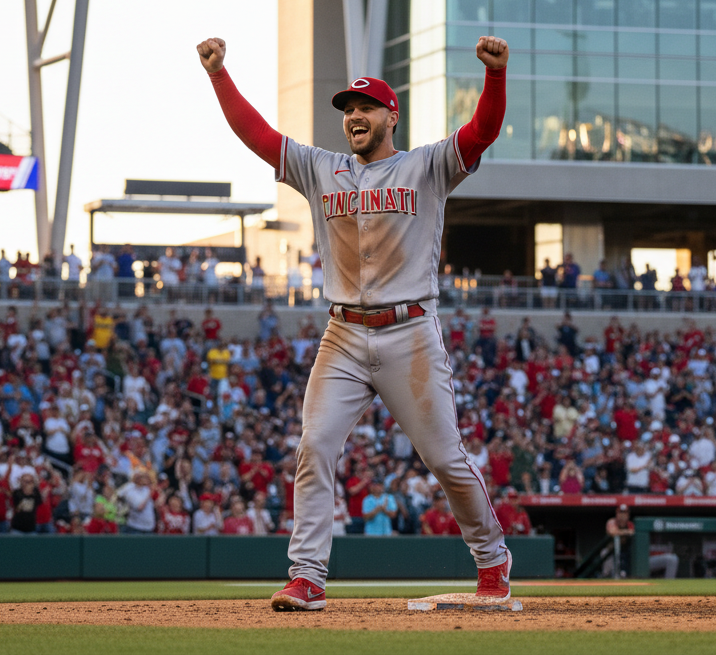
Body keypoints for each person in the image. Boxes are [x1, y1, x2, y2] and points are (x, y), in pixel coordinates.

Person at [199, 31, 513, 612]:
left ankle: (491, 557)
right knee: (314, 445)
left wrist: (493, 76)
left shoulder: (426, 167)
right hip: (342, 334)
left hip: (410, 332)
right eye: (348, 109)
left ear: (391, 115)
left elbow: (481, 133)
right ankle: (307, 576)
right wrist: (220, 75)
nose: (354, 116)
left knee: (445, 458)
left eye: (366, 106)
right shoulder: (322, 170)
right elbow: (257, 135)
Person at [606, 505, 677, 578]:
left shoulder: (631, 524)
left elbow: (632, 531)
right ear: (617, 514)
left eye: (625, 513)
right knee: (605, 554)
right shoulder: (612, 522)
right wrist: (626, 532)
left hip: (633, 558)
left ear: (628, 514)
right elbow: (612, 532)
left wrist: (625, 532)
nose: (622, 516)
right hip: (612, 554)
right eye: (621, 513)